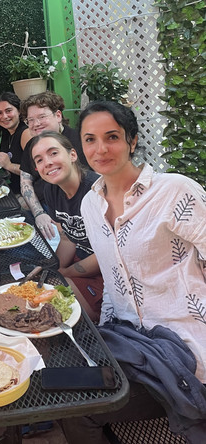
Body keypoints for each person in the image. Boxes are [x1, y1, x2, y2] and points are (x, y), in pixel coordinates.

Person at [61, 101, 206, 443]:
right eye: (90, 140)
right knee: (62, 372)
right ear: (80, 147)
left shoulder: (173, 192)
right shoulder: (90, 205)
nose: (101, 149)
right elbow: (113, 278)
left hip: (186, 347)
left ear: (133, 141)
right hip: (129, 341)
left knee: (75, 407)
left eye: (112, 137)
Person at [29, 130, 103, 321]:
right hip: (83, 260)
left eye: (53, 153)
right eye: (39, 160)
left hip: (110, 273)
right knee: (38, 284)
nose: (47, 162)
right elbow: (67, 236)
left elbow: (106, 255)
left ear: (72, 155)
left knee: (53, 296)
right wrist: (53, 267)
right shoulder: (52, 190)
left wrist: (64, 273)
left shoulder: (97, 191)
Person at [20, 91, 88, 240]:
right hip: (41, 206)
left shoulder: (81, 141)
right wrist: (39, 213)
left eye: (42, 117)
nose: (36, 124)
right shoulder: (32, 144)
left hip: (73, 213)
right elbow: (25, 181)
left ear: (58, 116)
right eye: (30, 120)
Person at [0, 92, 31, 194]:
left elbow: (36, 171)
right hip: (10, 189)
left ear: (19, 111)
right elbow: (14, 154)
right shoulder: (7, 131)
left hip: (27, 195)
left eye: (8, 111)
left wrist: (9, 165)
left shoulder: (26, 133)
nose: (4, 116)